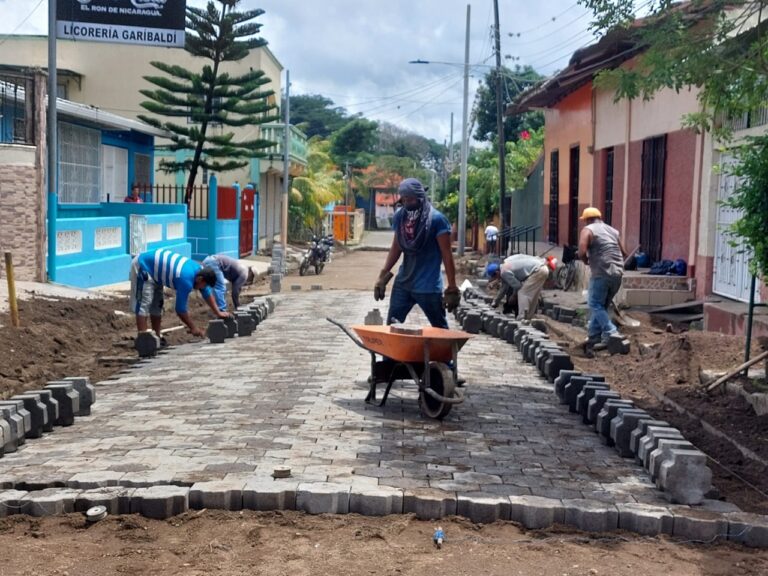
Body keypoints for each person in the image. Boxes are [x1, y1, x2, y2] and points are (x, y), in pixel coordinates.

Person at [374, 177, 460, 329]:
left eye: (410, 198)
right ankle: (390, 354)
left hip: (428, 286)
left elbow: (447, 254)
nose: (407, 202)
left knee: (440, 331)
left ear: (420, 197)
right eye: (404, 199)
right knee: (392, 328)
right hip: (404, 284)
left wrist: (452, 287)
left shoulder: (436, 220)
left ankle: (444, 353)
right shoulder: (400, 217)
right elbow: (396, 247)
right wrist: (383, 276)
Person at [129, 248, 230, 338]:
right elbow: (180, 310)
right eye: (203, 285)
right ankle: (143, 339)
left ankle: (156, 337)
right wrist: (193, 328)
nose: (201, 289)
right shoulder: (185, 280)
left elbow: (206, 292)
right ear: (200, 279)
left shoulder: (200, 271)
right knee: (144, 303)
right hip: (143, 266)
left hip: (156, 271)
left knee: (157, 304)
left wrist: (218, 312)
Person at [577, 207, 627, 350]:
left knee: (594, 304)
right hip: (617, 274)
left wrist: (585, 260)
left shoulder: (588, 230)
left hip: (601, 272)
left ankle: (612, 332)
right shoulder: (613, 231)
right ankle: (595, 338)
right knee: (601, 307)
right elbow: (624, 252)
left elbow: (581, 250)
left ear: (587, 219)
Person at [487, 254, 557, 320]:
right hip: (543, 268)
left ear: (497, 272)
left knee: (523, 293)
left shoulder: (504, 272)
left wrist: (514, 296)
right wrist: (495, 302)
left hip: (537, 271)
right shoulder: (505, 265)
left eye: (495, 277)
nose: (497, 279)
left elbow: (518, 286)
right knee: (533, 296)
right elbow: (504, 288)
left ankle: (522, 318)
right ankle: (528, 318)